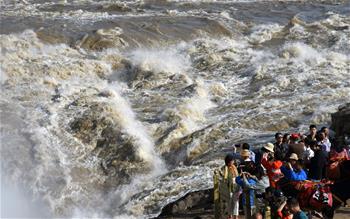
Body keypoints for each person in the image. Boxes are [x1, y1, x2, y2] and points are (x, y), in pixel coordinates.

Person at [221, 154, 240, 219]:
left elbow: (237, 176)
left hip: (235, 186)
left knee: (236, 202)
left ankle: (236, 216)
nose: (233, 161)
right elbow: (223, 178)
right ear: (229, 162)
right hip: (228, 187)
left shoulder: (234, 167)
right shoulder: (224, 168)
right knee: (229, 202)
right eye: (232, 160)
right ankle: (230, 215)